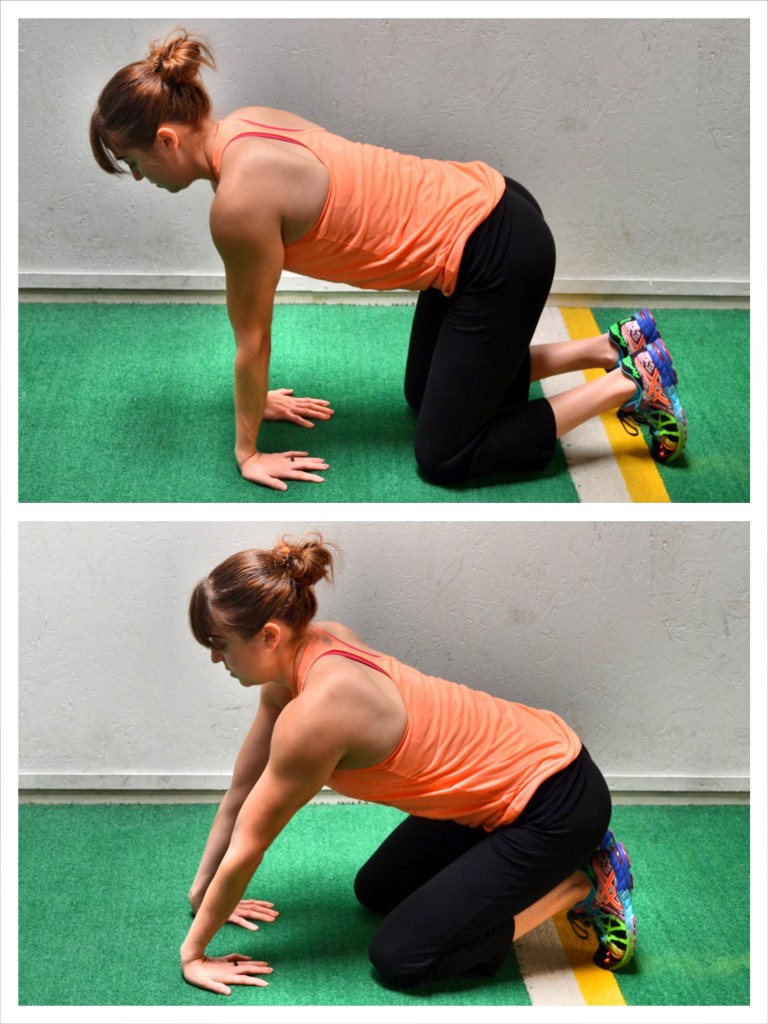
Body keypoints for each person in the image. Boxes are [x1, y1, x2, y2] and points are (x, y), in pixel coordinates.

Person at [90, 31, 686, 491]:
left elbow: (253, 340)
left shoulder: (237, 204)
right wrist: (259, 398)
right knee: (424, 392)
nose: (142, 178)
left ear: (167, 140)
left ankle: (632, 381)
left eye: (136, 163)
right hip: (491, 204)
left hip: (496, 255)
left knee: (446, 455)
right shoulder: (248, 123)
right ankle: (613, 345)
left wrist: (248, 451)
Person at [179, 534, 637, 995]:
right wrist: (204, 893)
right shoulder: (311, 651)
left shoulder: (317, 713)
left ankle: (578, 882)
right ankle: (534, 864)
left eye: (219, 644)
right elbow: (242, 792)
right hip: (508, 785)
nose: (217, 657)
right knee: (378, 890)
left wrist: (193, 954)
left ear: (269, 636)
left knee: (402, 958)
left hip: (556, 804)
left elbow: (250, 844)